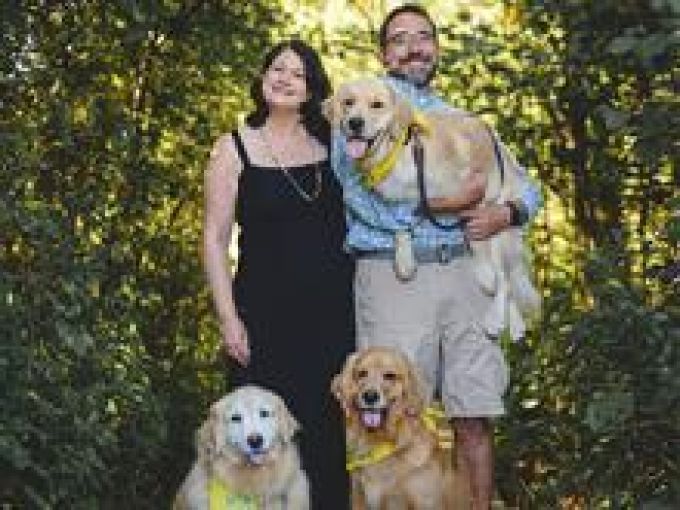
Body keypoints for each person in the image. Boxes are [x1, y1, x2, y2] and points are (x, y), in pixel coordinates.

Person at [331, 5, 542, 509]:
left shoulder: (463, 122)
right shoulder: (359, 106)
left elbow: (525, 187)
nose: (414, 47)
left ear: (436, 48)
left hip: (469, 275)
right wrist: (447, 206)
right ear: (384, 52)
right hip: (394, 277)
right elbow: (364, 198)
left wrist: (505, 213)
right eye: (400, 39)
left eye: (423, 37)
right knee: (383, 411)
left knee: (474, 412)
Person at [203, 39, 354, 509]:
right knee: (254, 447)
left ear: (311, 89)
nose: (285, 78)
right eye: (277, 68)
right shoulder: (234, 147)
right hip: (261, 322)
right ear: (263, 77)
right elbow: (213, 238)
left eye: (298, 73)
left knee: (327, 447)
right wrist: (229, 319)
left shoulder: (335, 144)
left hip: (332, 321)